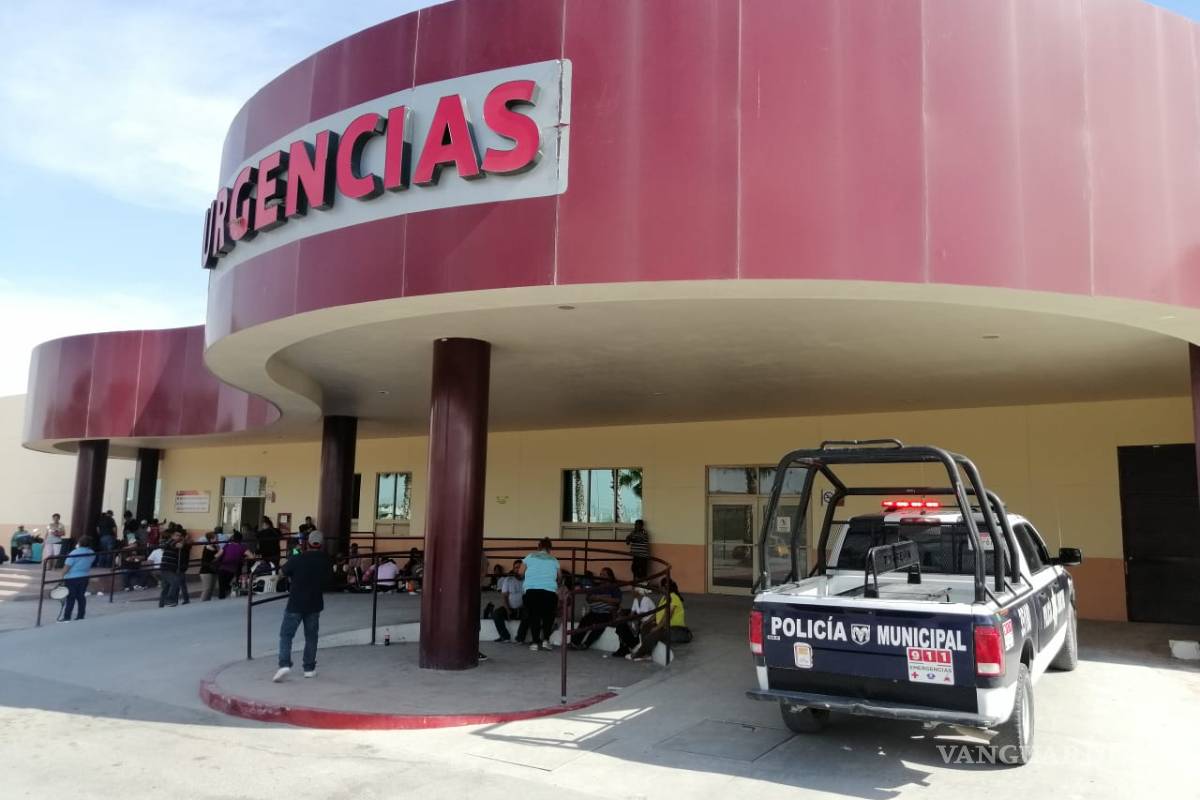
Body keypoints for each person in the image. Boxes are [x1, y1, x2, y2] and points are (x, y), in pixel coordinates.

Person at [273, 531, 331, 682]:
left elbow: (281, 573)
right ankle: (309, 668)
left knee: (286, 635)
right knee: (311, 637)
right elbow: (330, 580)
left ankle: (284, 664)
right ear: (322, 544)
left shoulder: (297, 558)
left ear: (307, 543)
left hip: (295, 603)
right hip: (315, 603)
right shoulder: (325, 560)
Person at [518, 538, 561, 652]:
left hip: (532, 590)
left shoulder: (530, 556)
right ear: (550, 548)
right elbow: (559, 577)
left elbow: (520, 572)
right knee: (548, 616)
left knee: (534, 616)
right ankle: (546, 641)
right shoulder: (554, 559)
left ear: (539, 547)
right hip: (549, 591)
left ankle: (535, 643)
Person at [628, 579, 688, 661]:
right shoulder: (664, 597)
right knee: (646, 627)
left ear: (664, 588)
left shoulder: (673, 598)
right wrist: (647, 622)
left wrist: (657, 627)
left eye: (660, 587)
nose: (659, 589)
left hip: (677, 630)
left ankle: (639, 654)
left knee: (654, 633)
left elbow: (667, 617)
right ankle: (646, 652)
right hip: (666, 627)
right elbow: (656, 613)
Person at [570, 567, 622, 650]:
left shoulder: (614, 587)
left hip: (607, 613)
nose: (601, 576)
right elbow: (589, 598)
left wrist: (600, 598)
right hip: (595, 611)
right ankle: (575, 643)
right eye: (601, 574)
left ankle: (586, 644)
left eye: (604, 574)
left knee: (599, 626)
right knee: (584, 621)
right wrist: (600, 599)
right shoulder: (597, 586)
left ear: (610, 577)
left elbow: (617, 600)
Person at [613, 584, 657, 658]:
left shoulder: (646, 600)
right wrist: (625, 619)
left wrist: (630, 621)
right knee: (621, 625)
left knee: (625, 626)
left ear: (638, 591)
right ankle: (625, 648)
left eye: (633, 590)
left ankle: (632, 648)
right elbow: (632, 614)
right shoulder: (636, 600)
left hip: (647, 622)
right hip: (639, 623)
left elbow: (642, 616)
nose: (631, 591)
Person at [59, 536, 97, 622]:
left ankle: (67, 616)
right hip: (84, 576)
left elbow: (67, 567)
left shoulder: (74, 552)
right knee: (81, 596)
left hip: (72, 577)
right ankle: (81, 615)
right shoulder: (91, 552)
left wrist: (62, 575)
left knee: (71, 598)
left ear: (79, 543)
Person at [492, 560, 527, 643]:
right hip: (509, 608)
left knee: (529, 614)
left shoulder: (528, 580)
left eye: (519, 568)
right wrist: (507, 610)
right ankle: (505, 636)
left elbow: (529, 597)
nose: (518, 570)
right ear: (513, 569)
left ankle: (520, 638)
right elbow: (504, 597)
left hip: (522, 609)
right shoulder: (508, 579)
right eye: (516, 568)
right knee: (496, 613)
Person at [158, 530, 188, 607]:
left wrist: (182, 540)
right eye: (177, 535)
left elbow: (180, 545)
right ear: (172, 536)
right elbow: (175, 545)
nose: (179, 537)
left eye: (180, 536)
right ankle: (169, 599)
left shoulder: (173, 543)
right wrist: (180, 540)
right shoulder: (169, 542)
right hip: (166, 567)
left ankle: (161, 604)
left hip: (171, 568)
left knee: (166, 587)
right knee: (175, 581)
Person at [215, 532, 248, 599]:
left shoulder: (227, 546)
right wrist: (242, 558)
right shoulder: (242, 547)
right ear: (241, 539)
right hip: (232, 569)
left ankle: (222, 600)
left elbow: (217, 555)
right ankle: (232, 590)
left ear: (233, 539)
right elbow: (252, 556)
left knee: (222, 587)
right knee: (225, 585)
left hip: (222, 568)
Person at [198, 531, 219, 601]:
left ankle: (206, 603)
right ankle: (202, 604)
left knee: (211, 589)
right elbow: (214, 557)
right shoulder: (208, 547)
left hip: (213, 569)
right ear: (211, 539)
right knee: (207, 589)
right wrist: (221, 552)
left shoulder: (215, 546)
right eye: (215, 538)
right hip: (206, 570)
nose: (217, 539)